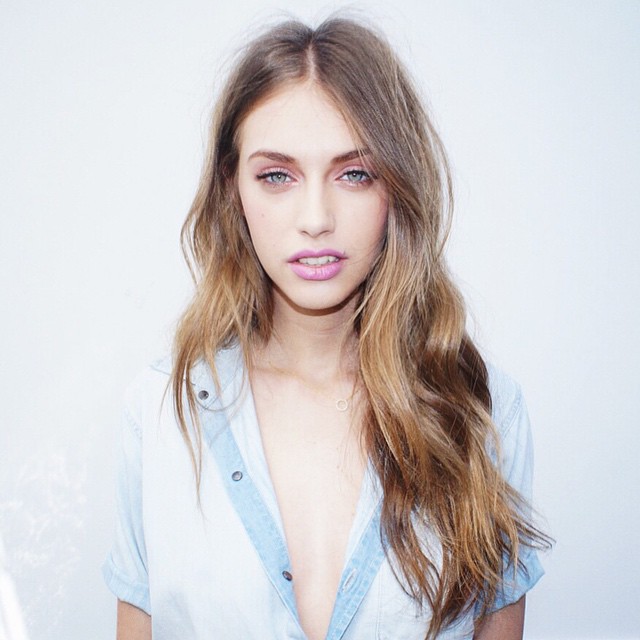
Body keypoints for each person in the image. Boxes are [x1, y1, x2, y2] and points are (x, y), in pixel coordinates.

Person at [103, 16, 551, 640]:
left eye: (354, 173)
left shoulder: (483, 413)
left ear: (397, 190)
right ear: (233, 189)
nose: (316, 218)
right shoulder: (158, 414)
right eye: (277, 176)